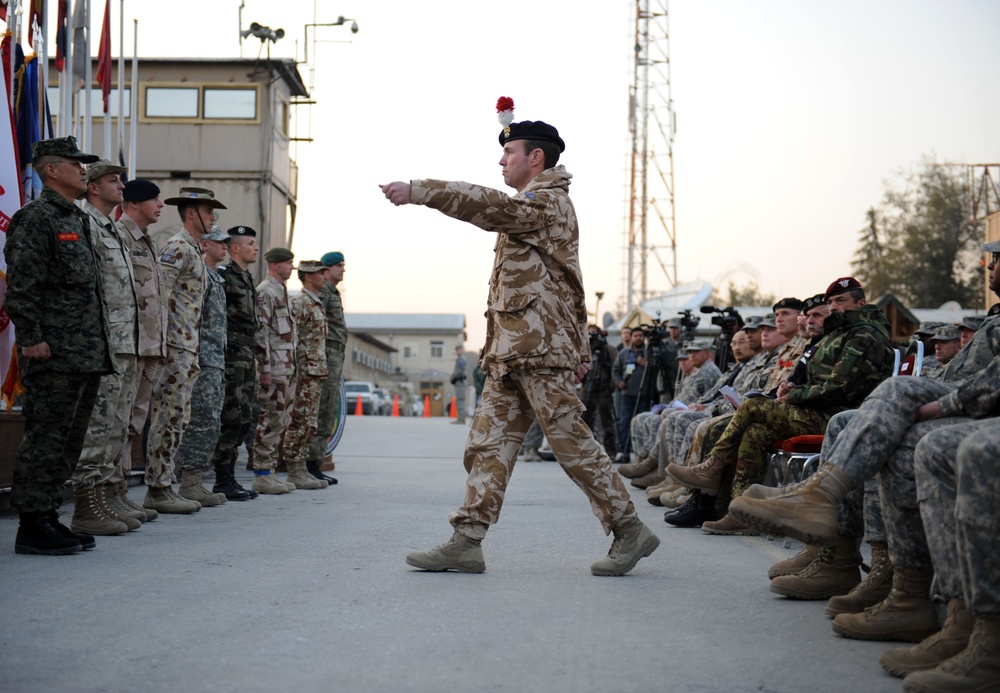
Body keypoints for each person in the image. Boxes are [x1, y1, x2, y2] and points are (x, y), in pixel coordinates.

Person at [380, 103, 658, 575]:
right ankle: (467, 540)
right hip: (513, 353)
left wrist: (422, 191)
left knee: (571, 444)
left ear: (537, 159)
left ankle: (629, 529)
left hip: (541, 351)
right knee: (487, 446)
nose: (501, 160)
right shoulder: (535, 204)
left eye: (509, 152)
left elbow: (492, 207)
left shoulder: (546, 203)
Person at [671, 278, 895, 533]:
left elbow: (841, 388)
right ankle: (742, 512)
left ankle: (711, 468)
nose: (833, 307)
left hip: (840, 418)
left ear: (861, 303)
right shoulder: (841, 332)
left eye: (840, 301)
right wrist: (793, 387)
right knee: (755, 432)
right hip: (819, 410)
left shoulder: (865, 335)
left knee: (753, 406)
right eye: (831, 301)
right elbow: (818, 379)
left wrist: (797, 395)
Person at [5, 136, 109, 555]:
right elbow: (22, 287)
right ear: (51, 170)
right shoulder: (36, 218)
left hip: (82, 353)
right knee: (46, 438)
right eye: (75, 163)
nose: (84, 170)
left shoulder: (76, 218)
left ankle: (49, 516)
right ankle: (31, 525)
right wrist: (31, 340)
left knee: (68, 441)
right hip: (51, 353)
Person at [69, 159, 141, 536]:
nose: (121, 186)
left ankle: (106, 495)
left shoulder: (111, 227)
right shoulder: (86, 224)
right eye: (113, 180)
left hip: (124, 340)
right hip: (105, 341)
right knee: (98, 425)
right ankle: (85, 506)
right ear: (93, 186)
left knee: (115, 424)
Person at [144, 187, 226, 514]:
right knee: (167, 417)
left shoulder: (193, 249)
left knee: (178, 418)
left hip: (188, 347)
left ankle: (166, 484)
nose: (213, 218)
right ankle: (158, 488)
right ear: (191, 213)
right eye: (209, 212)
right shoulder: (178, 248)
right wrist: (159, 344)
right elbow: (158, 298)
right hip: (173, 346)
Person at [117, 179, 167, 520]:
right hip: (129, 345)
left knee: (134, 424)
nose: (161, 206)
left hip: (149, 346)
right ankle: (109, 494)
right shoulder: (120, 236)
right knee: (118, 423)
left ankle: (118, 493)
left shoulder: (146, 241)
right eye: (154, 200)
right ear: (134, 204)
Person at [173, 227, 231, 508]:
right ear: (205, 245)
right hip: (200, 356)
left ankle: (196, 480)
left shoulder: (217, 278)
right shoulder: (201, 276)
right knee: (198, 418)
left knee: (210, 419)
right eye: (220, 242)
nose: (226, 247)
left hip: (215, 358)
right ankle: (188, 480)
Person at [209, 226, 260, 500]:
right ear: (235, 248)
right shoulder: (224, 277)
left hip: (246, 355)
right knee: (230, 416)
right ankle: (222, 478)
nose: (256, 248)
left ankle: (230, 476)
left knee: (244, 416)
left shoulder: (247, 279)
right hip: (232, 355)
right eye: (250, 243)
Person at [251, 247, 298, 495]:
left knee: (281, 421)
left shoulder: (282, 291)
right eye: (288, 263)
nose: (291, 267)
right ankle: (261, 473)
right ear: (275, 265)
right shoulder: (265, 292)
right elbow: (261, 334)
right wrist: (265, 369)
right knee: (270, 420)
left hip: (286, 368)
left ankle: (269, 472)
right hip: (274, 369)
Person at [281, 260, 330, 490]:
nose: (325, 276)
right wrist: (296, 370)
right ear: (309, 277)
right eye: (321, 273)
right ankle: (294, 469)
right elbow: (293, 337)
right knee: (300, 421)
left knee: (310, 423)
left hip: (315, 371)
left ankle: (301, 466)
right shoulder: (300, 302)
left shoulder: (316, 303)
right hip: (303, 371)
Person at [306, 251, 346, 486]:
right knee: (322, 407)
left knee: (328, 408)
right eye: (338, 266)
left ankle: (316, 463)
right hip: (326, 355)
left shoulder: (333, 293)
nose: (342, 270)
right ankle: (311, 464)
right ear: (326, 270)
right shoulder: (324, 293)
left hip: (334, 355)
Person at [581, 325, 618, 459]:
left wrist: (611, 387)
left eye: (594, 333)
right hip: (588, 388)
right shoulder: (585, 350)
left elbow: (615, 369)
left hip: (604, 390)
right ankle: (585, 451)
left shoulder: (608, 350)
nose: (592, 337)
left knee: (607, 422)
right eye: (589, 334)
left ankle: (611, 452)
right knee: (585, 421)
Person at [451, 345, 468, 424]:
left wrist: (453, 378)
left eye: (458, 349)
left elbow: (459, 371)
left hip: (460, 381)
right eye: (456, 349)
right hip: (459, 382)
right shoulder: (460, 359)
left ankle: (461, 418)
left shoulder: (461, 359)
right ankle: (460, 418)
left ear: (461, 350)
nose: (456, 351)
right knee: (459, 400)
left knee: (460, 400)